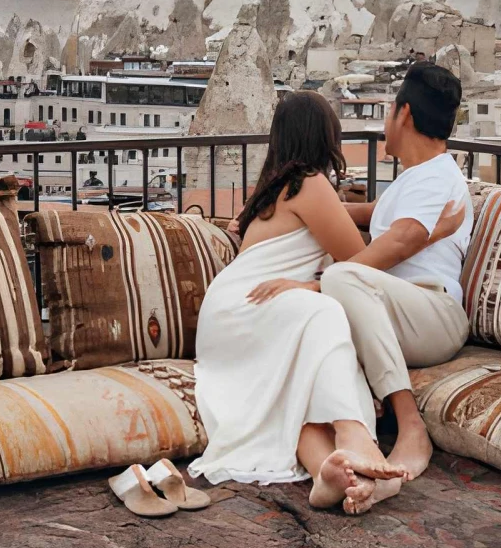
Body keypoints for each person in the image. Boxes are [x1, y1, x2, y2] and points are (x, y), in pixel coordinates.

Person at [189, 92, 457, 515]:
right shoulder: (312, 185)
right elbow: (356, 267)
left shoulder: (271, 191)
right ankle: (356, 438)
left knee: (305, 385)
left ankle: (331, 473)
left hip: (232, 314)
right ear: (325, 137)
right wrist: (436, 229)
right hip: (255, 303)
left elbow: (344, 228)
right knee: (328, 311)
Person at [319, 61, 472, 481]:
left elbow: (404, 237)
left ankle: (411, 425)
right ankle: (357, 458)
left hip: (434, 313)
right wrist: (291, 206)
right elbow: (370, 215)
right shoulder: (415, 180)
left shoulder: (438, 176)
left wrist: (319, 285)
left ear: (403, 113)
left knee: (336, 280)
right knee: (316, 327)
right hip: (397, 311)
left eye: (387, 113)